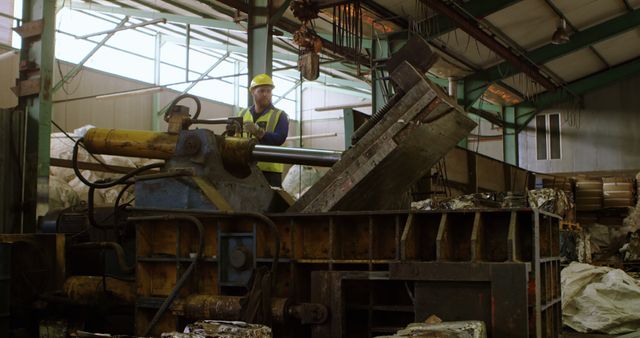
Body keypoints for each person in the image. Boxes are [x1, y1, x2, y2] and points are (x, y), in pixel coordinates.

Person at [239, 73, 289, 187]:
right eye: (261, 91)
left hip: (270, 171)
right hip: (246, 167)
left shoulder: (280, 115)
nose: (266, 94)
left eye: (268, 91)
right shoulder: (242, 114)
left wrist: (259, 132)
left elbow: (279, 139)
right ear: (252, 92)